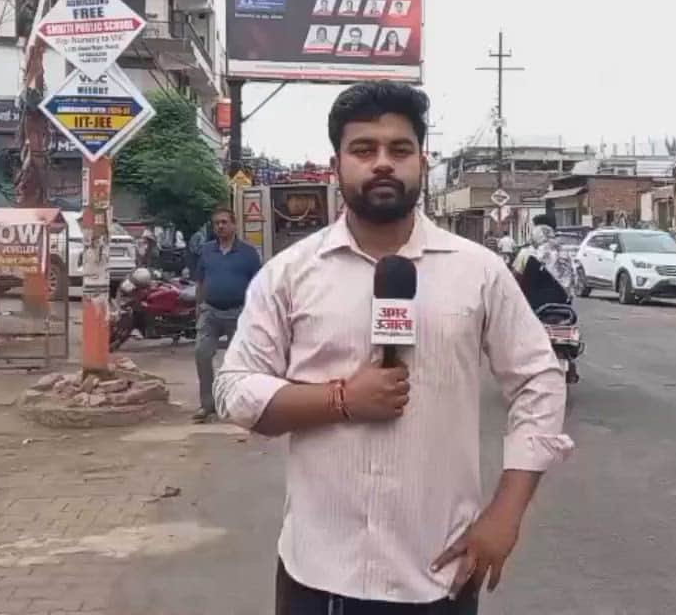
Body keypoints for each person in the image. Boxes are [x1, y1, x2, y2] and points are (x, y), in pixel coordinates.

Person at [215, 82, 571, 613]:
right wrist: (340, 399)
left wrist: (505, 516)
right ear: (336, 165)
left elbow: (539, 381)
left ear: (423, 162)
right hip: (319, 573)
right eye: (364, 150)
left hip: (437, 574)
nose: (383, 163)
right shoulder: (288, 275)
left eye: (399, 150)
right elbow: (235, 389)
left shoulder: (478, 272)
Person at [194, 207, 261, 423]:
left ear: (234, 225)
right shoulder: (206, 251)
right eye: (216, 223)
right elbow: (200, 281)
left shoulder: (248, 253)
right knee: (202, 354)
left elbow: (258, 285)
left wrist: (254, 313)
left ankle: (235, 404)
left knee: (237, 362)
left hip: (238, 313)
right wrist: (199, 306)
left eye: (224, 222)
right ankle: (207, 405)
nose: (220, 226)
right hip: (210, 311)